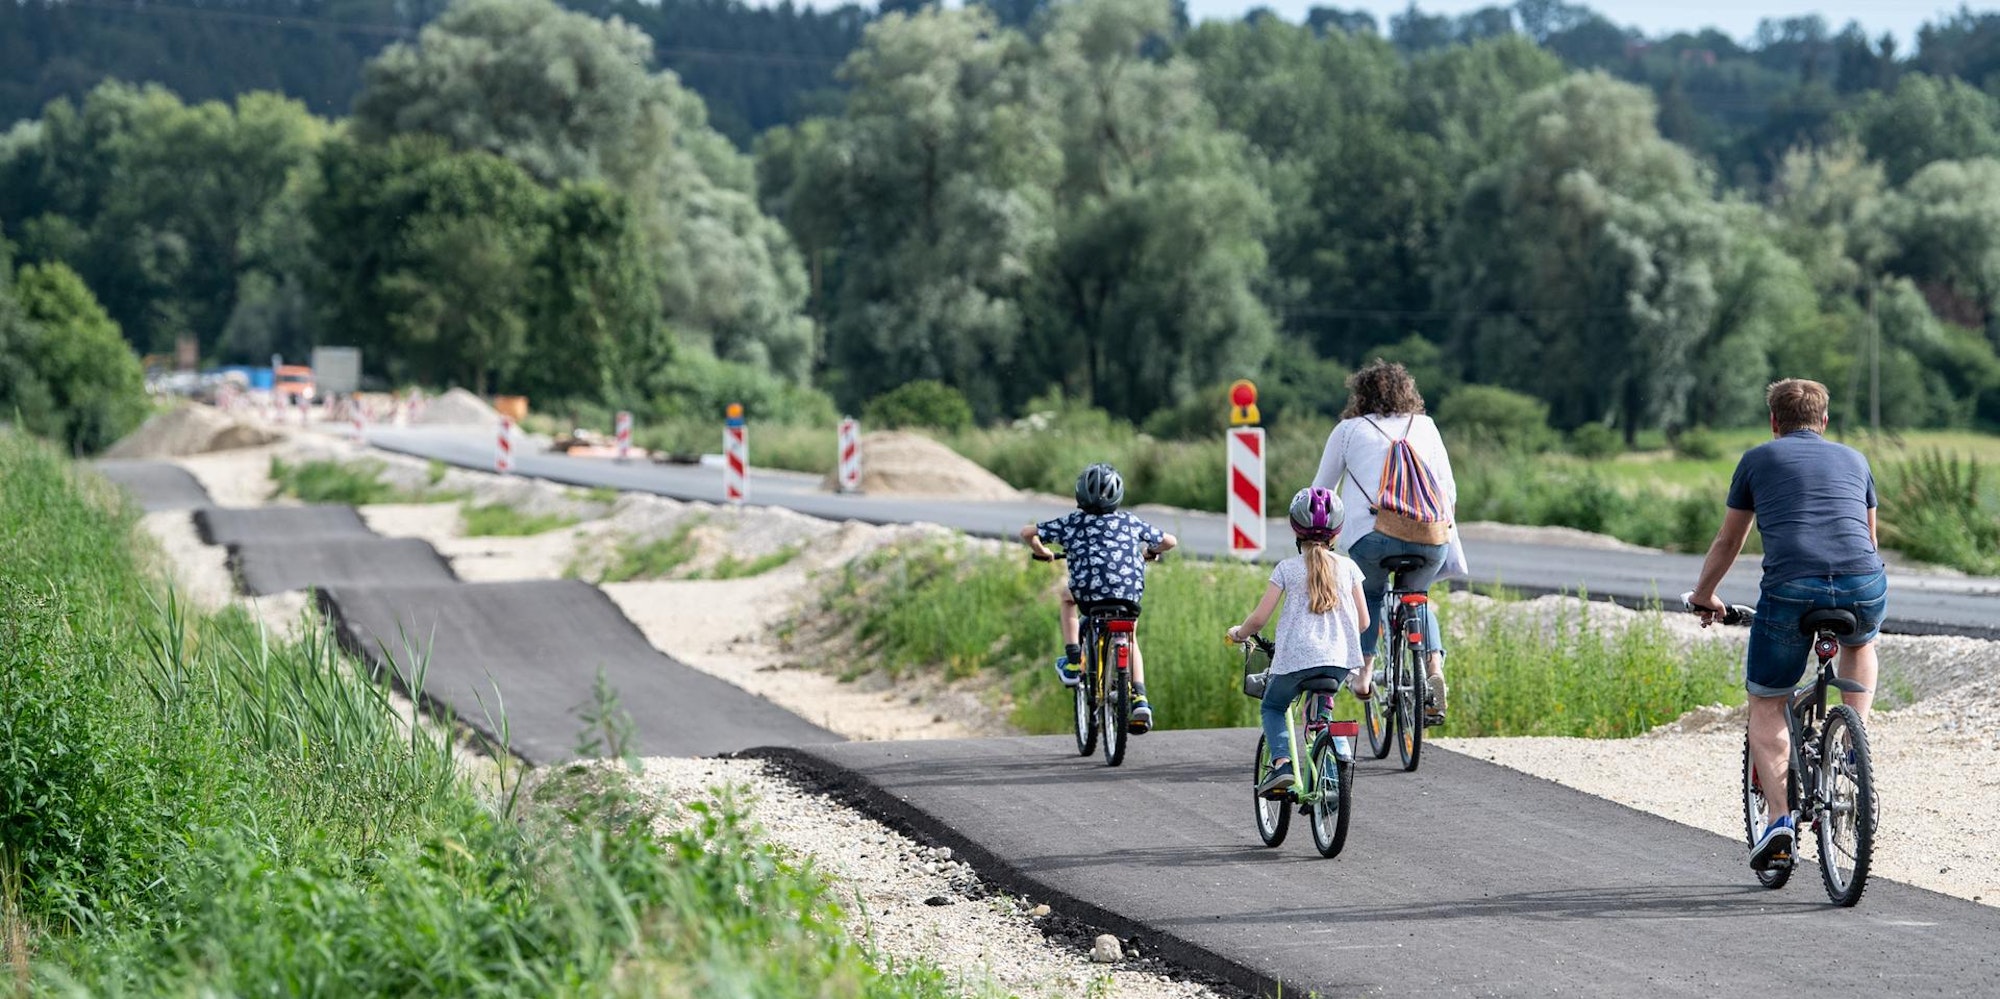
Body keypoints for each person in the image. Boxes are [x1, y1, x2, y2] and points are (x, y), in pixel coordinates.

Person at [1688, 378, 1887, 873]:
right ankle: (1850, 738)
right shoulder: (1855, 460)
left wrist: (1705, 596)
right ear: (1823, 421)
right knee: (1859, 640)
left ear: (1774, 423)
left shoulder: (1757, 459)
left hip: (1791, 590)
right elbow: (1869, 540)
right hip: (1865, 584)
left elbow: (1729, 540)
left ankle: (1778, 821)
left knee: (1767, 699)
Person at [1311, 359, 1461, 722]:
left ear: (1360, 395)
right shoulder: (1426, 426)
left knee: (1371, 594)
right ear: (1408, 391)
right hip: (1431, 536)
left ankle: (1364, 673)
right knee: (1418, 598)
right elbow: (1449, 490)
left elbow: (1321, 494)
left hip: (1372, 536)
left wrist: (1314, 540)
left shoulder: (1348, 430)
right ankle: (1434, 669)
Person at [1225, 487, 1369, 798]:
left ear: (1295, 527)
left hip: (1295, 662)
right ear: (1337, 531)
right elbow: (1365, 622)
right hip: (1339, 663)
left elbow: (1260, 619)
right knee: (1321, 717)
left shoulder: (1287, 569)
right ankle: (1329, 782)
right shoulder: (1349, 568)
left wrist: (1241, 633)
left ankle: (1282, 765)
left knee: (1273, 706)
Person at [1021, 463, 1178, 733]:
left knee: (1066, 599)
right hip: (1127, 595)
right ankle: (1140, 698)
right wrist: (1150, 552)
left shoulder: (1071, 521)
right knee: (1130, 637)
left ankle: (1072, 661)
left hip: (1088, 595)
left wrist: (1043, 551)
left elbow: (1028, 533)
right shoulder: (1130, 521)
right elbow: (1170, 542)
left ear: (1080, 494)